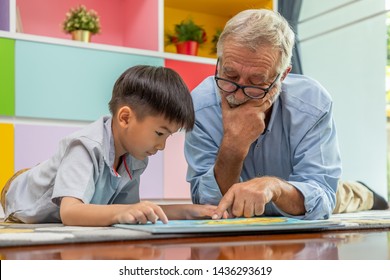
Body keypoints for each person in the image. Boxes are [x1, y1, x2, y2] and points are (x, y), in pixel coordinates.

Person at [184, 9, 389, 221]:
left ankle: (363, 192)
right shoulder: (200, 106)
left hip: (295, 193)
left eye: (256, 82)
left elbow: (322, 197)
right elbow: (207, 204)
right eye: (230, 74)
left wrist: (275, 187)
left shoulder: (312, 104)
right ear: (219, 61)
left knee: (343, 196)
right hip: (247, 212)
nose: (239, 93)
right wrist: (234, 145)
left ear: (283, 75)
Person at [1, 65, 226, 226]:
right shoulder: (86, 147)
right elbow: (70, 213)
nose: (162, 146)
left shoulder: (135, 159)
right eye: (159, 133)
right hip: (16, 195)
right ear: (125, 118)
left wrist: (191, 211)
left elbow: (135, 209)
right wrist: (124, 212)